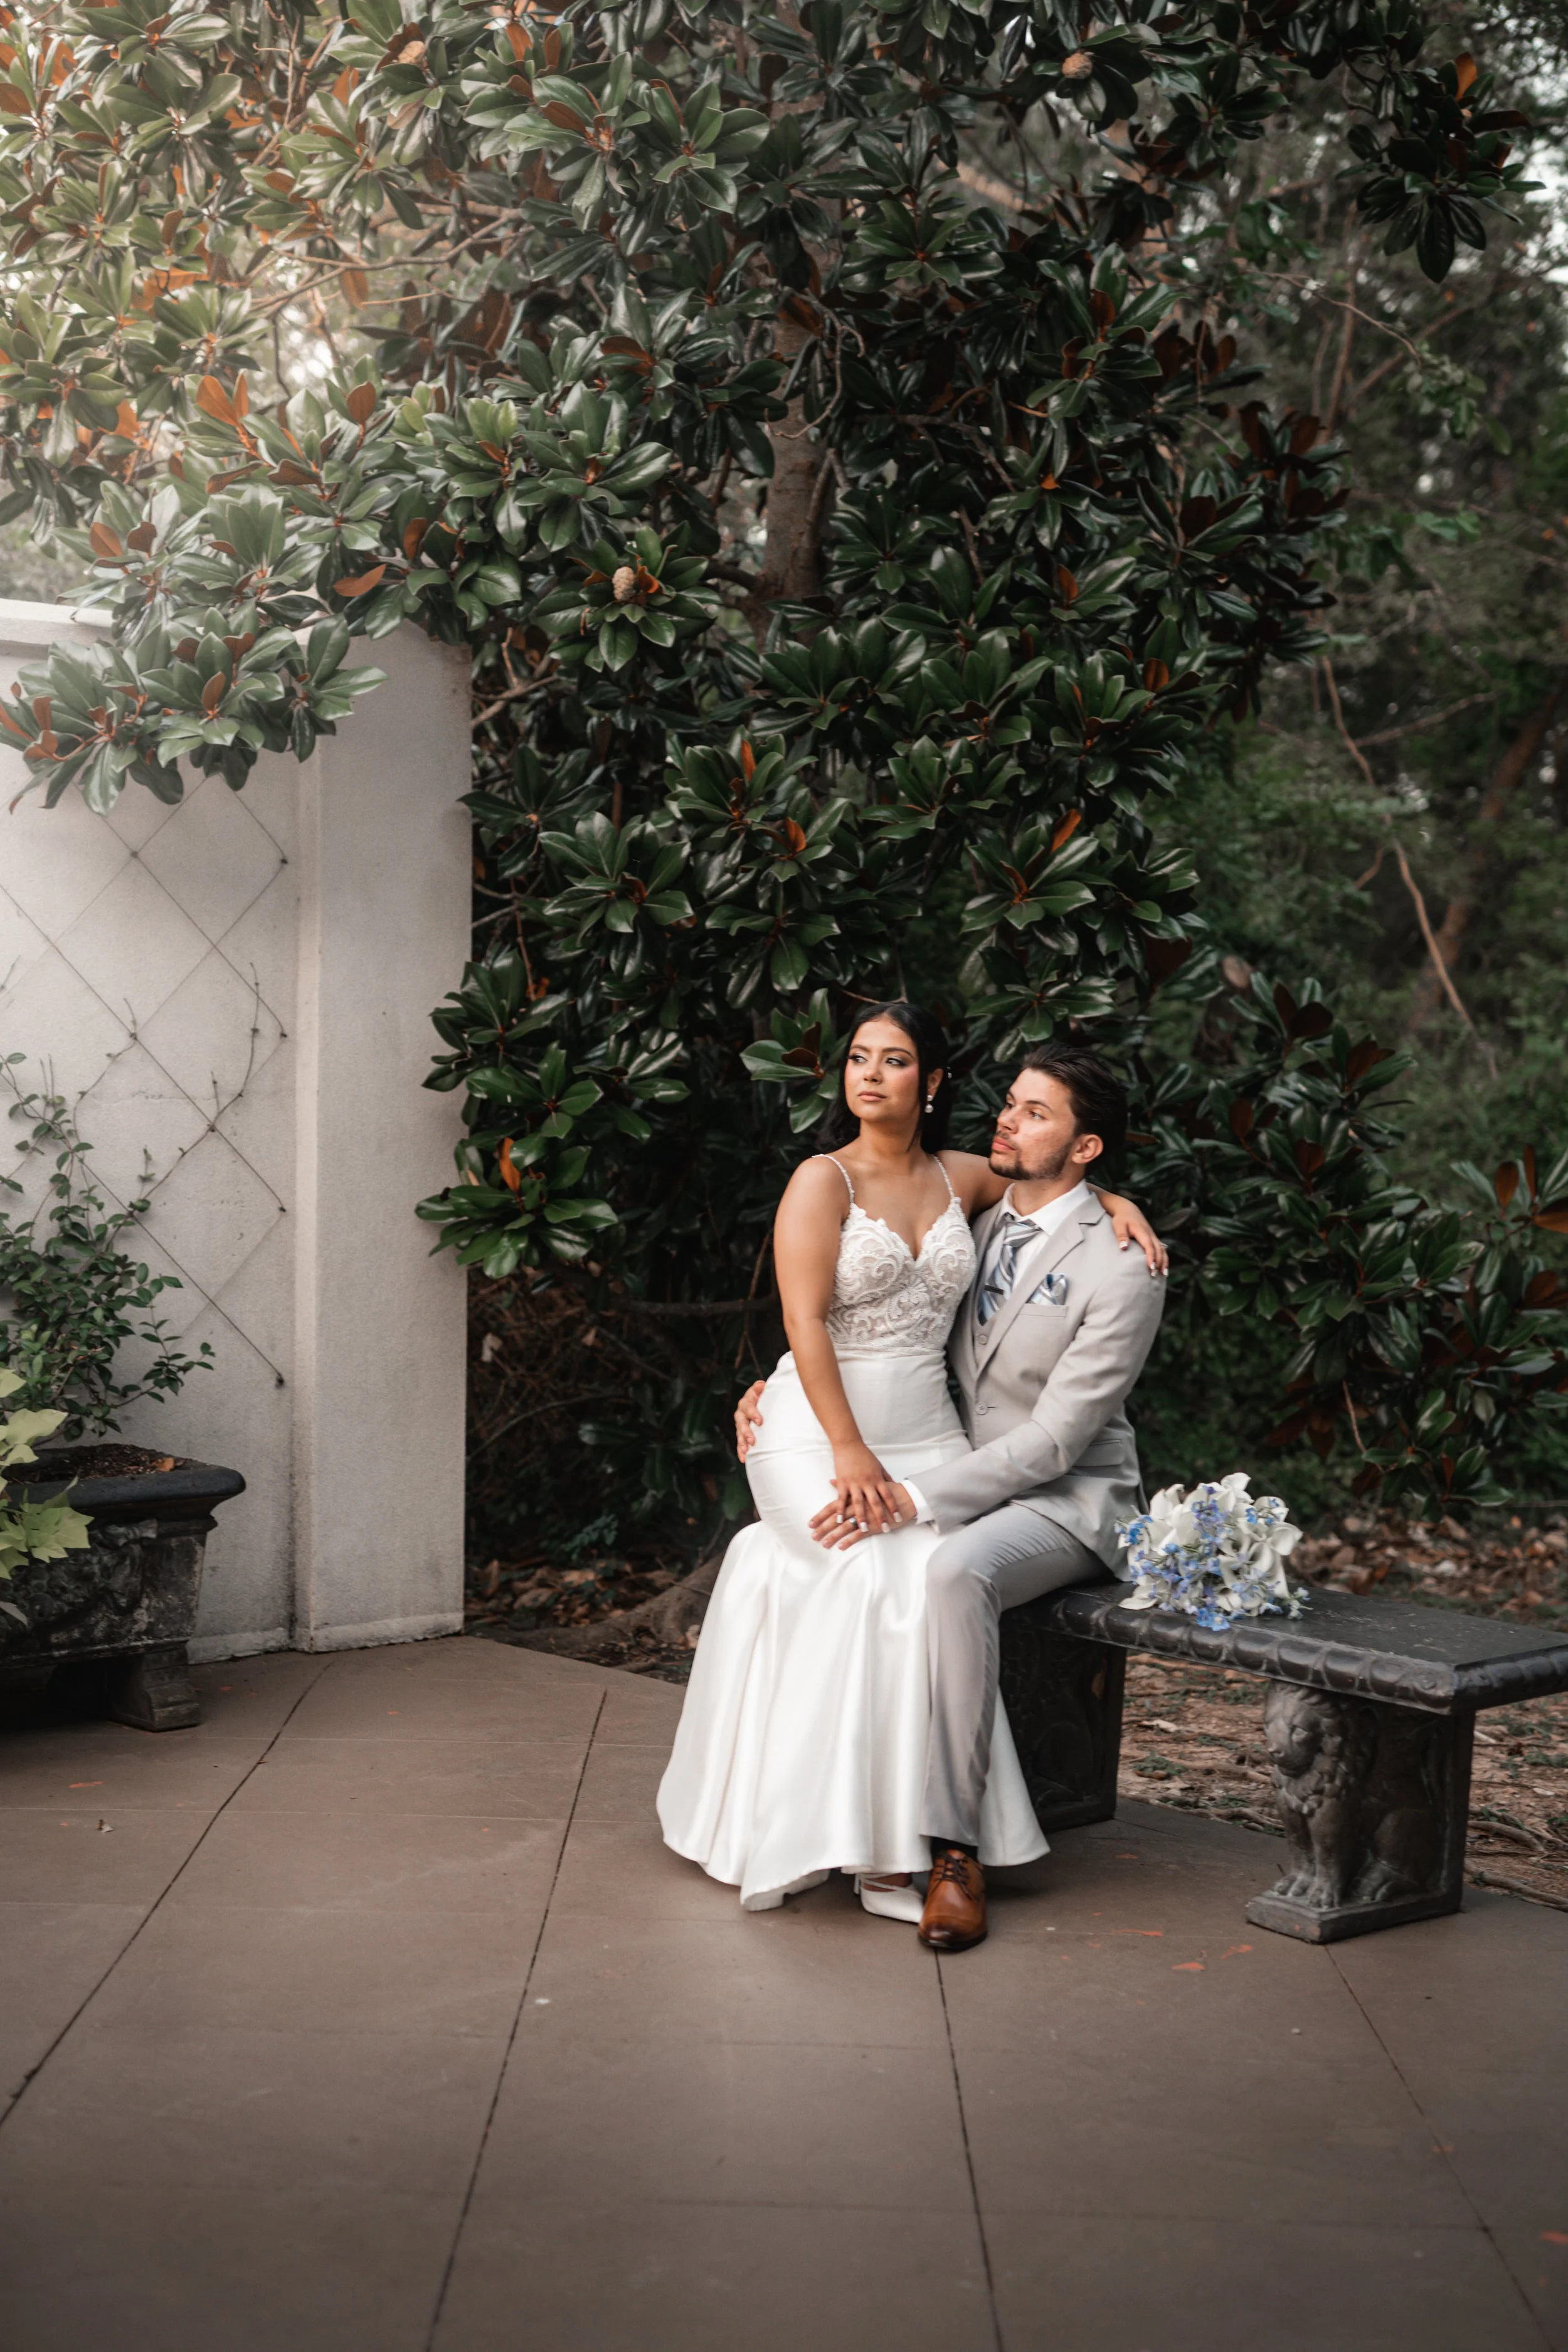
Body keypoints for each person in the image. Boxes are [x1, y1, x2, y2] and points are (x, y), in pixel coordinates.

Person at [655, 1002, 1167, 1934]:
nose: (870, 1074)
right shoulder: (822, 1179)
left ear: (930, 1082)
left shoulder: (966, 1176)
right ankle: (872, 1841)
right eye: (857, 1057)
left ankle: (917, 1840)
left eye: (895, 1060)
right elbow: (804, 1321)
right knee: (874, 1572)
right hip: (822, 1431)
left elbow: (1058, 1202)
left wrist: (1116, 1204)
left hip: (936, 1445)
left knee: (910, 1574)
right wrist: (842, 1447)